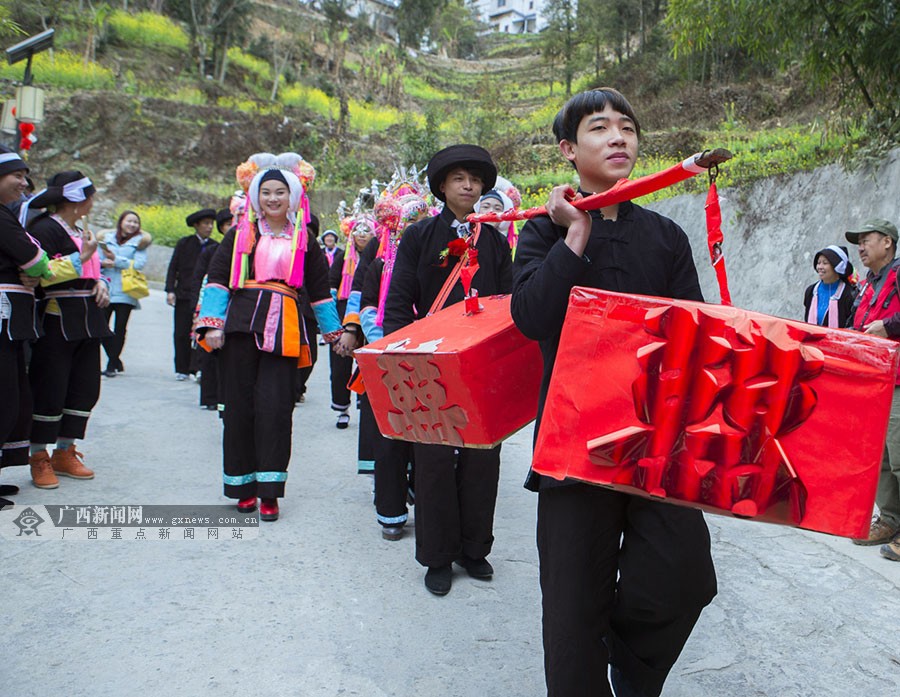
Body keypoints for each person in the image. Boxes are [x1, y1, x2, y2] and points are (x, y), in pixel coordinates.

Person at [510, 88, 717, 697]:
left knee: (683, 576)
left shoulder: (666, 236)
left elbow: (696, 329)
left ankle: (631, 666)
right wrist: (575, 236)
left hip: (658, 440)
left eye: (627, 127)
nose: (619, 138)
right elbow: (532, 317)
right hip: (573, 445)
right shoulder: (542, 234)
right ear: (569, 150)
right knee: (573, 610)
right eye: (600, 128)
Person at [383, 144, 513, 595]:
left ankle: (474, 549)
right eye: (459, 178)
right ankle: (438, 556)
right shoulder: (419, 237)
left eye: (475, 180)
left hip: (479, 361)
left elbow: (509, 303)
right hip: (427, 359)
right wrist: (400, 353)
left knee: (483, 455)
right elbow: (399, 299)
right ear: (441, 186)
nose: (468, 186)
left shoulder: (496, 241)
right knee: (433, 458)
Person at [196, 153, 342, 522]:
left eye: (280, 192)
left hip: (285, 331)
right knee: (239, 407)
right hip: (241, 326)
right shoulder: (239, 233)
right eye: (266, 193)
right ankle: (242, 486)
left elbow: (320, 291)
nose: (273, 199)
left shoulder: (305, 239)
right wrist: (212, 323)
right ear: (255, 197)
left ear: (292, 197)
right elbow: (216, 278)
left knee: (276, 411)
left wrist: (334, 333)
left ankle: (270, 490)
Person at [26, 171, 111, 489]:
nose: (92, 200)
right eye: (90, 195)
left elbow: (95, 269)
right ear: (76, 199)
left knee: (85, 387)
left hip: (89, 321)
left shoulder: (80, 229)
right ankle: (38, 456)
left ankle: (65, 451)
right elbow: (40, 273)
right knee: (51, 386)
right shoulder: (43, 228)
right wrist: (82, 256)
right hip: (57, 319)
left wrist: (102, 283)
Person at [359, 191, 428, 539]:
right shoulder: (379, 264)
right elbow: (368, 306)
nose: (415, 230)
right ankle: (390, 509)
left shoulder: (440, 259)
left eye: (421, 223)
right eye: (409, 224)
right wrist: (386, 340)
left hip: (429, 356)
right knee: (389, 435)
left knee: (428, 433)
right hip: (389, 354)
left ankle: (421, 493)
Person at [845, 218, 900, 561]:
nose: (861, 248)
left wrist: (889, 325)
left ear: (888, 244)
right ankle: (892, 519)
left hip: (898, 380)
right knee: (879, 456)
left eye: (867, 240)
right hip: (873, 380)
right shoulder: (867, 283)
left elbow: (886, 324)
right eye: (859, 242)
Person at [0, 148, 52, 506]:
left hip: (11, 324)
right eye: (16, 175)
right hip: (2, 319)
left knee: (13, 395)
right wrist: (36, 269)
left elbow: (33, 261)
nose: (23, 182)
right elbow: (35, 258)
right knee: (3, 397)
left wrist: (35, 270)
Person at [166, 207, 216, 380]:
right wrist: (170, 290)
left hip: (202, 297)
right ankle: (181, 368)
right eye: (206, 224)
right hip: (183, 294)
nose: (209, 227)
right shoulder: (184, 243)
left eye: (211, 224)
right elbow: (173, 267)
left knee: (198, 333)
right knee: (180, 333)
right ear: (196, 225)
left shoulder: (214, 247)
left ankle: (196, 368)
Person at [100, 210, 151, 377]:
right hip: (106, 288)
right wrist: (103, 263)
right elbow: (97, 260)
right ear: (121, 222)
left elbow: (138, 264)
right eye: (129, 221)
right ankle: (115, 360)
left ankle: (111, 364)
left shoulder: (140, 243)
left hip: (126, 291)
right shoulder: (106, 239)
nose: (132, 225)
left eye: (135, 222)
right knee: (101, 326)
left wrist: (116, 261)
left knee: (120, 329)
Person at [802, 245, 856, 328]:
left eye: (825, 263)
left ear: (837, 267)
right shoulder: (811, 291)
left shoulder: (849, 294)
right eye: (818, 263)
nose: (820, 267)